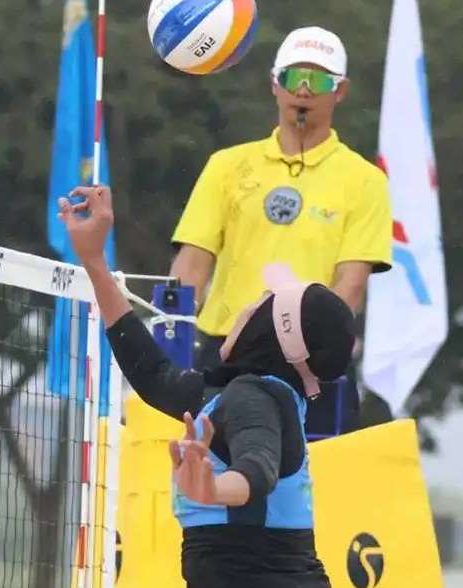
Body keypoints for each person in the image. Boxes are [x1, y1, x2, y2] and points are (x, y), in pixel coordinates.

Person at [58, 184, 364, 588]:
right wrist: (95, 262)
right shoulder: (241, 395)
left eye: (257, 305)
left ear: (271, 332)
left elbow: (256, 471)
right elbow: (152, 375)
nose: (241, 312)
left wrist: (214, 490)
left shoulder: (255, 396)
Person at [168, 26, 393, 436]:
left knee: (313, 492)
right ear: (274, 84)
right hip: (224, 354)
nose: (303, 90)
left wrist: (306, 345)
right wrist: (171, 343)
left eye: (319, 80)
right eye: (293, 77)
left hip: (310, 368)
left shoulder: (365, 180)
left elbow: (351, 284)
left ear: (340, 91)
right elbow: (192, 265)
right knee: (207, 484)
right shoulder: (226, 165)